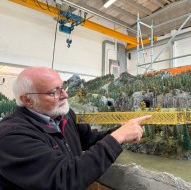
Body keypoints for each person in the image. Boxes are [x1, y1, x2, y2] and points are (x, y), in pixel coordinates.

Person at [0, 67, 151, 190]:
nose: (65, 95)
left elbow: (90, 139)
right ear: (27, 100)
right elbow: (65, 179)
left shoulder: (64, 115)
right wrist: (117, 137)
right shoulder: (11, 136)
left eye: (63, 87)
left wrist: (121, 132)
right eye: (55, 92)